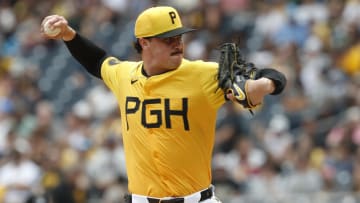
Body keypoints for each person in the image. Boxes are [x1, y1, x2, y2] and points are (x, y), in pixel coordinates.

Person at [40, 6, 286, 203]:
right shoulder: (125, 76)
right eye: (168, 39)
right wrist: (68, 35)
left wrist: (263, 85)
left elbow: (274, 75)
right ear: (144, 42)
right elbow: (98, 61)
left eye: (179, 36)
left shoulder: (205, 74)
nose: (177, 43)